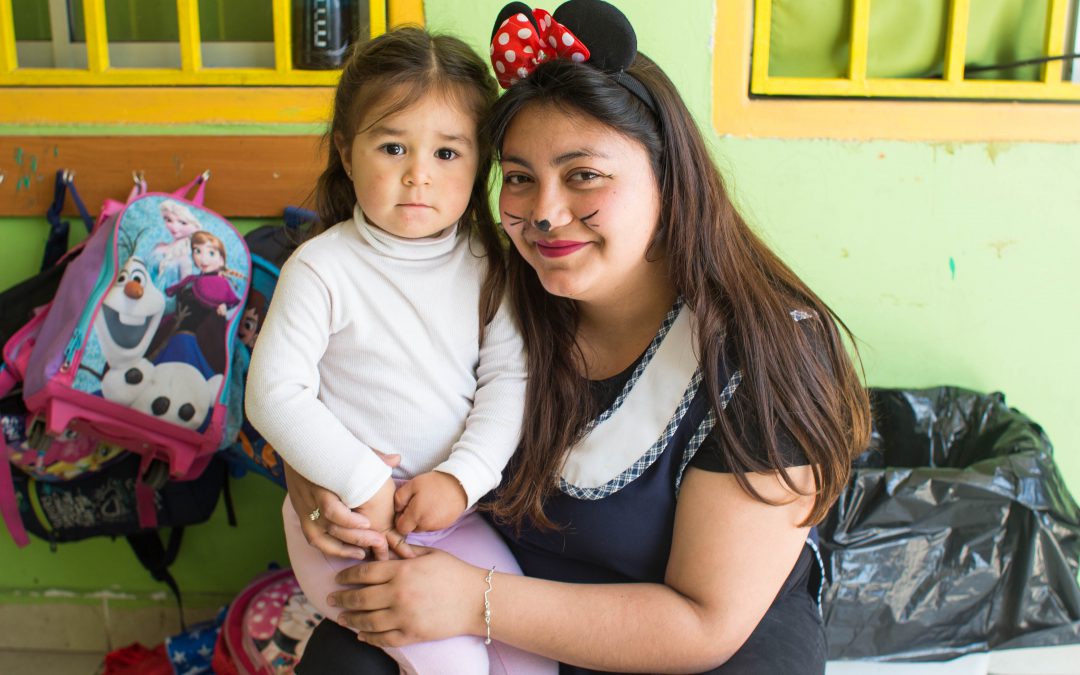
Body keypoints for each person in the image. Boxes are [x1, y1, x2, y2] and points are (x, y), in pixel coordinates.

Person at [285, 1, 871, 672]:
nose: (545, 213)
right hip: (498, 629)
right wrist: (316, 478)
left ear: (667, 175)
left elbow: (705, 621)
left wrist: (474, 599)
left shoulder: (772, 352)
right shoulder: (494, 292)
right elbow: (333, 391)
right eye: (521, 178)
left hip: (688, 650)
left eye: (583, 174)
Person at [244, 27, 556, 675]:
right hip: (351, 530)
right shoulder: (322, 268)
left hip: (456, 517)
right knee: (455, 664)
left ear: (481, 165)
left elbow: (509, 380)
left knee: (533, 655)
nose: (418, 174)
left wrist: (462, 476)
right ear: (346, 151)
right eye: (392, 147)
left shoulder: (489, 267)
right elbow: (272, 393)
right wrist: (363, 480)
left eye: (447, 152)